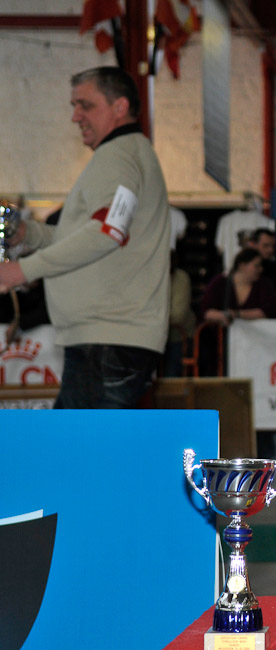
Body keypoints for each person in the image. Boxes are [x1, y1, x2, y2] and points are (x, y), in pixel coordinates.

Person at [0, 66, 170, 408]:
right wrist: (27, 233)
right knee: (87, 450)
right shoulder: (130, 154)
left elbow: (107, 232)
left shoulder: (118, 156)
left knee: (81, 454)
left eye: (85, 105)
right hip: (111, 338)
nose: (75, 116)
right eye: (74, 106)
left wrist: (22, 270)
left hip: (107, 339)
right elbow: (95, 234)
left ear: (120, 107)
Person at [200, 248, 276, 326]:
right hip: (223, 335)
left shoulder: (264, 285)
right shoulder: (219, 282)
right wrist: (223, 316)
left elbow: (267, 312)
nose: (261, 269)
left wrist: (236, 314)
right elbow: (206, 311)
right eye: (256, 266)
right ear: (242, 266)